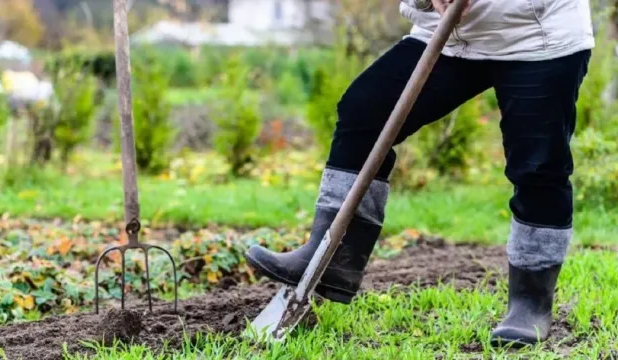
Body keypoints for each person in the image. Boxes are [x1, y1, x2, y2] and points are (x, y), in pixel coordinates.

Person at [245, 0, 594, 347]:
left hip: (536, 37)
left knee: (537, 165)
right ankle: (334, 256)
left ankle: (530, 302)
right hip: (449, 36)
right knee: (366, 110)